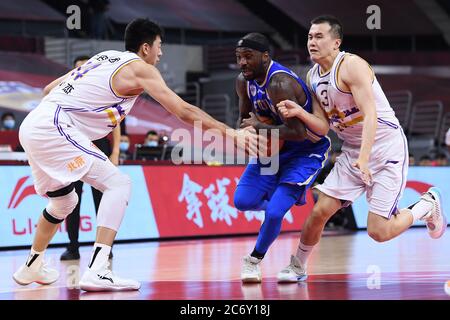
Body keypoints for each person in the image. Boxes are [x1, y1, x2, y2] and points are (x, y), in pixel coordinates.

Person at [13, 18, 258, 292]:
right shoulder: (141, 69)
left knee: (64, 202)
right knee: (119, 184)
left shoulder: (103, 57)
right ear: (145, 48)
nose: (161, 53)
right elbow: (183, 111)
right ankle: (99, 269)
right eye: (159, 46)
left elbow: (48, 90)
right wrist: (231, 133)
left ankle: (33, 263)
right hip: (55, 127)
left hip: (34, 126)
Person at [276, 15, 446, 282]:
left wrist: (365, 159)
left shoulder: (352, 66)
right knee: (321, 209)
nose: (312, 42)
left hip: (386, 147)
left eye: (319, 37)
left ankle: (425, 205)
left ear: (336, 43)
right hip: (353, 149)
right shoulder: (311, 77)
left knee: (378, 232)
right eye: (310, 37)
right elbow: (322, 127)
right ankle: (297, 266)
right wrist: (300, 112)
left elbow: (371, 116)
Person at [234, 33, 331, 282]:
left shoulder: (279, 83)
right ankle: (280, 203)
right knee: (242, 200)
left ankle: (253, 260)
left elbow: (298, 132)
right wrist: (245, 136)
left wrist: (259, 128)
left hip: (305, 151)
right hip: (274, 149)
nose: (242, 62)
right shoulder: (243, 82)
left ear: (265, 57)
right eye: (239, 57)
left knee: (275, 213)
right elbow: (244, 119)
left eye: (248, 57)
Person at [60, 55, 121, 261]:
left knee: (102, 201)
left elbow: (116, 123)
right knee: (72, 200)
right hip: (73, 150)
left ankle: (104, 248)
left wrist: (115, 152)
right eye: (79, 67)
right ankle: (73, 247)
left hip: (99, 147)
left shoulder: (103, 92)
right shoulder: (67, 94)